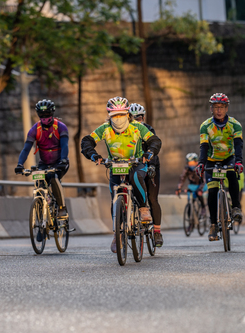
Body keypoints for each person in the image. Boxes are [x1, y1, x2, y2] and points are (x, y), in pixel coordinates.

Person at [80, 96, 161, 253]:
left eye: (122, 114)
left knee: (136, 178)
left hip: (136, 163)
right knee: (114, 198)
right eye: (114, 115)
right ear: (109, 115)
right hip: (115, 165)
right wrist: (94, 155)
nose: (118, 118)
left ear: (128, 114)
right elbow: (87, 141)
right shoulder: (105, 129)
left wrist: (149, 152)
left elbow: (154, 140)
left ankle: (143, 208)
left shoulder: (137, 127)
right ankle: (117, 233)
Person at [196, 93, 243, 241]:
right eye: (216, 107)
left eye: (222, 107)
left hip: (229, 157)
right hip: (211, 160)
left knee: (232, 175)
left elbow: (238, 145)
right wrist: (201, 163)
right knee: (212, 191)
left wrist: (239, 161)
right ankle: (213, 225)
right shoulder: (205, 126)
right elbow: (203, 146)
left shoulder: (235, 125)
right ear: (211, 108)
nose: (219, 110)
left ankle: (236, 207)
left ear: (226, 108)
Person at [15, 99, 70, 228]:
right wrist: (20, 164)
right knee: (39, 185)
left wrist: (63, 160)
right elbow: (26, 148)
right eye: (42, 116)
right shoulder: (35, 130)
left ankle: (61, 208)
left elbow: (65, 146)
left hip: (60, 162)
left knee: (54, 178)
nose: (45, 118)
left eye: (47, 115)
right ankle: (41, 215)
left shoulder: (61, 127)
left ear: (52, 114)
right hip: (44, 163)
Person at [129, 103, 163, 247]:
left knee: (152, 199)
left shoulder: (148, 129)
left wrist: (152, 166)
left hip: (150, 165)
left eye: (139, 117)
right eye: (133, 118)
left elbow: (153, 148)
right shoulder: (126, 131)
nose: (137, 120)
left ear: (143, 117)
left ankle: (157, 232)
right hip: (133, 166)